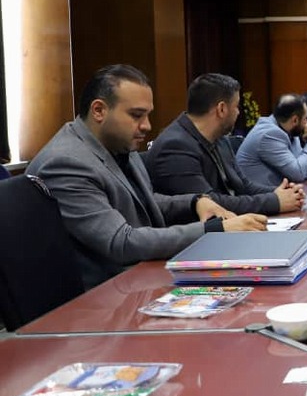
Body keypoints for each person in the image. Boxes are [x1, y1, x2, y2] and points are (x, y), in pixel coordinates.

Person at [26, 64, 266, 289]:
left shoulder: (118, 144)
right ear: (99, 110)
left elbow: (145, 202)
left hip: (138, 279)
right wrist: (214, 229)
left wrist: (195, 201)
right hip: (101, 295)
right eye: (136, 115)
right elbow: (121, 242)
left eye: (148, 115)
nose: (147, 126)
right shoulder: (66, 163)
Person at [145, 73, 305, 216]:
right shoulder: (175, 147)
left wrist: (282, 193)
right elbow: (210, 203)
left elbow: (244, 185)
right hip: (202, 236)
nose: (238, 112)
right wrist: (274, 201)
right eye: (236, 106)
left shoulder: (220, 138)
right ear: (221, 109)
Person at [236, 93, 307, 185]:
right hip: (258, 194)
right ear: (295, 120)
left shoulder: (288, 129)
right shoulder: (269, 134)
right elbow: (298, 173)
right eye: (305, 119)